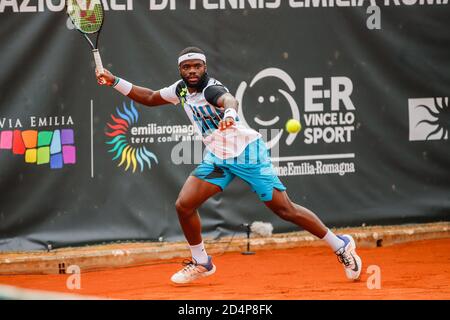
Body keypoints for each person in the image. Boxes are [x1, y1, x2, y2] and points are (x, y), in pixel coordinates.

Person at [96, 46, 362, 284]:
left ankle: (340, 244)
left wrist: (231, 114)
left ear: (205, 68)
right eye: (186, 67)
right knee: (184, 205)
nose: (192, 71)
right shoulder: (179, 89)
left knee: (285, 209)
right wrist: (115, 81)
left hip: (248, 154)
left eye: (197, 66)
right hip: (219, 157)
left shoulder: (211, 88)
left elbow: (228, 100)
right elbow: (151, 97)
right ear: (180, 69)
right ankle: (202, 262)